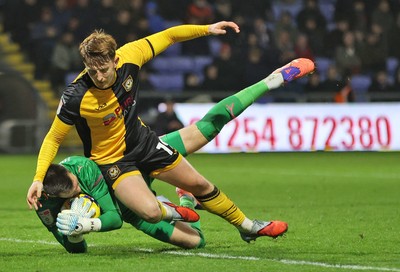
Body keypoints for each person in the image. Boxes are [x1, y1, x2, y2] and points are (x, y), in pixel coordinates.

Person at [27, 20, 313, 243]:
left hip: (143, 144)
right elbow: (54, 137)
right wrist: (38, 178)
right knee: (158, 217)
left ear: (115, 61)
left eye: (104, 69)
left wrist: (207, 29)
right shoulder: (76, 95)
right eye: (92, 71)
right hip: (113, 164)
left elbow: (170, 36)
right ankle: (177, 205)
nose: (99, 77)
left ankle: (247, 226)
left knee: (203, 168)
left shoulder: (130, 56)